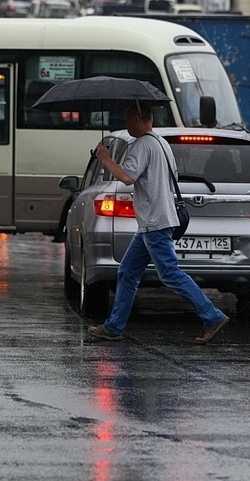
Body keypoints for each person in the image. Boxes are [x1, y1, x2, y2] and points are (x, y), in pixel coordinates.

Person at [87, 103, 230, 344]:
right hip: (154, 222)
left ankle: (212, 316)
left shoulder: (142, 145)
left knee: (170, 274)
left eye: (127, 117)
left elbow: (126, 178)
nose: (125, 122)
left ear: (138, 118)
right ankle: (114, 327)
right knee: (128, 272)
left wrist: (105, 159)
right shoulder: (162, 143)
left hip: (155, 222)